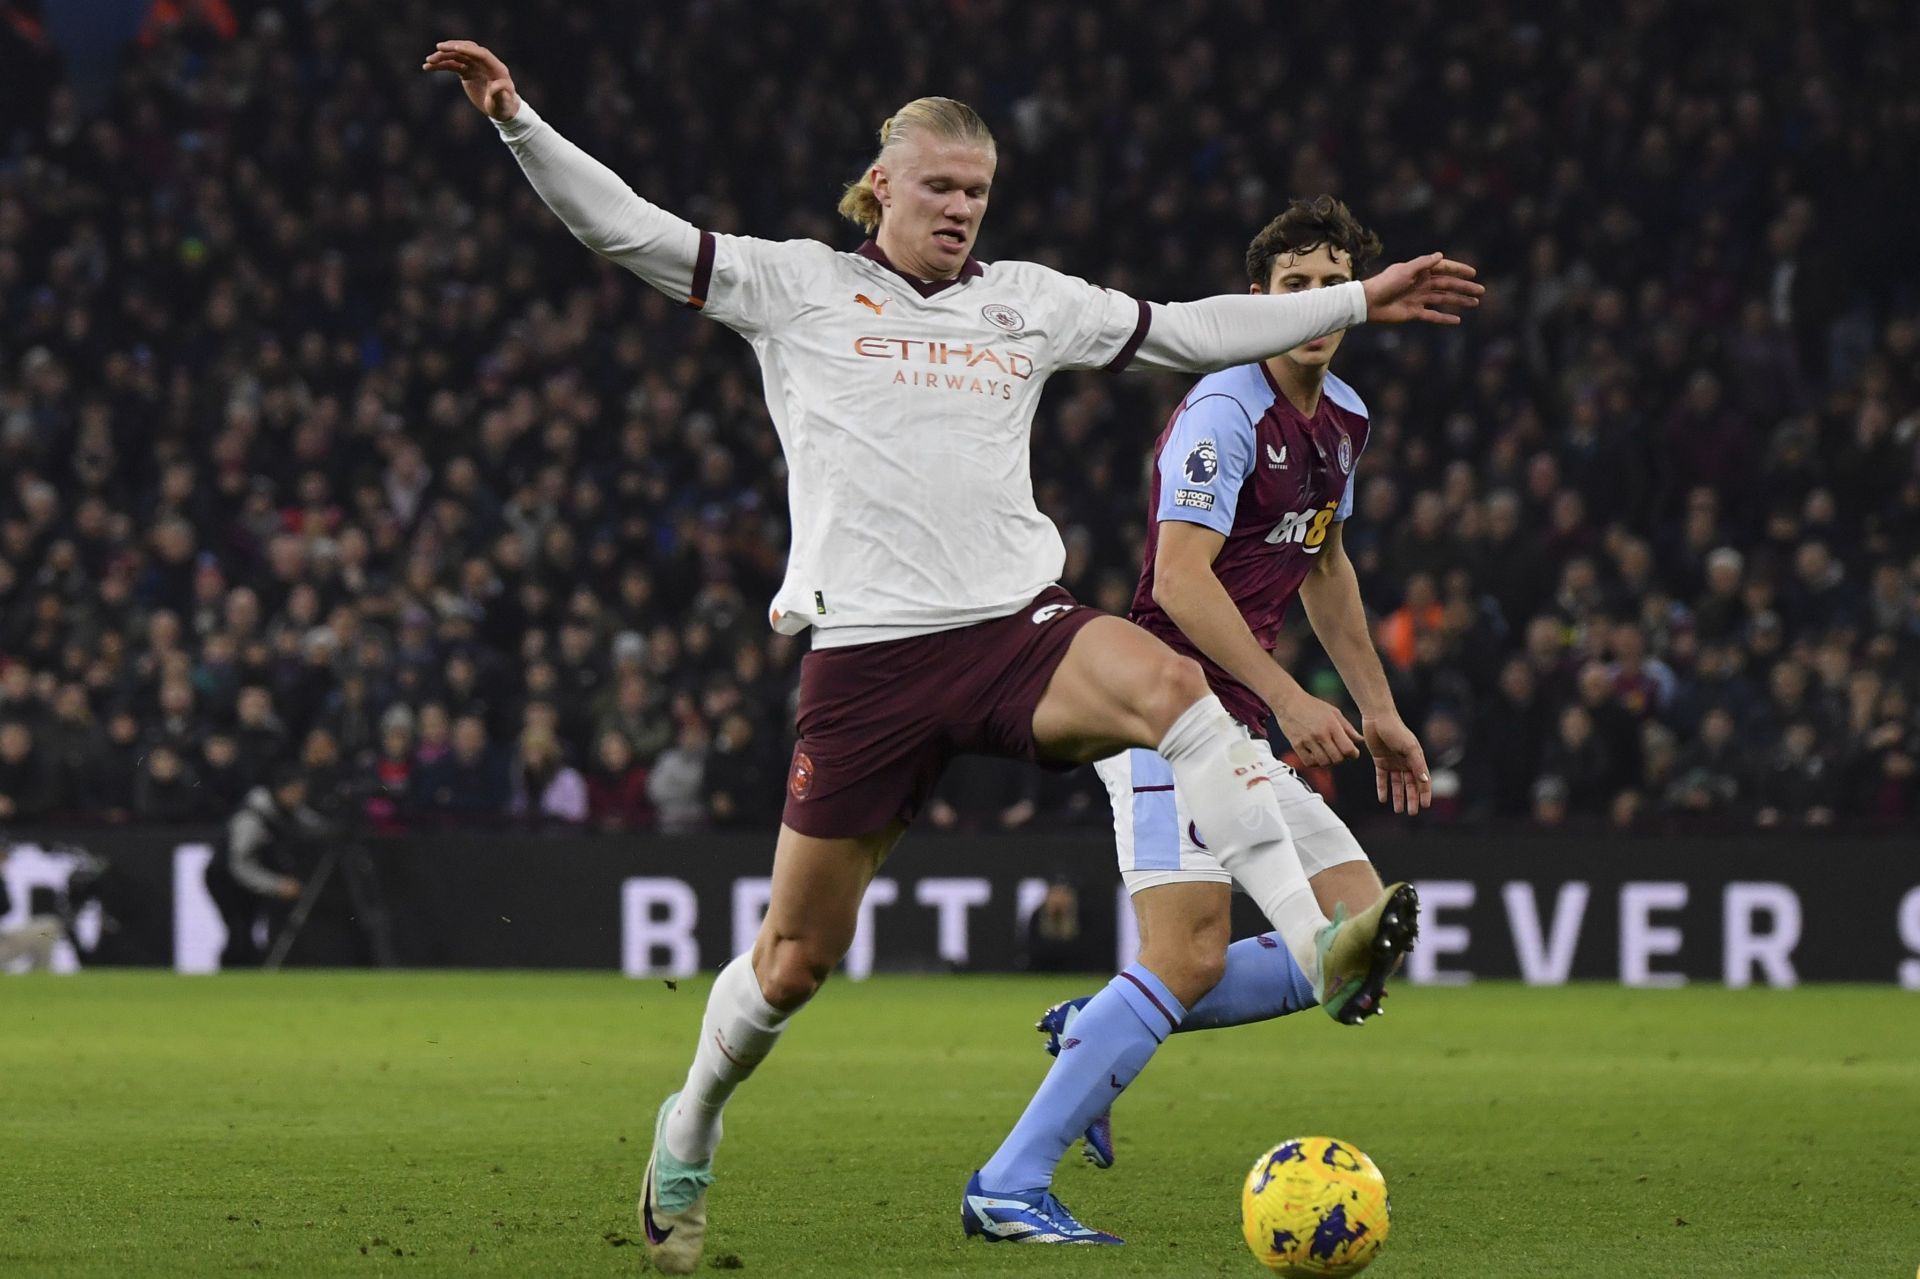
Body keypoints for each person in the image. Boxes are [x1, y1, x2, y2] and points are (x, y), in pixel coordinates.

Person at [424, 39, 1478, 1269]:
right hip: (867, 661)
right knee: (793, 963)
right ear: (881, 186)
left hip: (1010, 631)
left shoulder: (1023, 302)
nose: (962, 209)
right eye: (939, 188)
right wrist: (516, 122)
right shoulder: (798, 286)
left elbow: (1194, 328)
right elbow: (635, 234)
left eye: (977, 191)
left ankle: (1310, 935)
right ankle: (691, 1119)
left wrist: (1356, 297)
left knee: (1174, 685)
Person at [976, 196, 1430, 1209]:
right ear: (1258, 300)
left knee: (1359, 942)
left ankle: (1100, 1026)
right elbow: (1181, 580)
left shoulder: (1344, 418)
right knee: (1187, 953)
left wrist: (1378, 707)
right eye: (1294, 287)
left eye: (1332, 284)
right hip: (1164, 710)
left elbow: (1326, 566)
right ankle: (1009, 1182)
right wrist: (1287, 694)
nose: (1314, 304)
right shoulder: (1223, 412)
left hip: (1242, 718)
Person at [203, 765, 326, 968]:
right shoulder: (252, 818)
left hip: (251, 881)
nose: (300, 797)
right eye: (295, 791)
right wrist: (277, 885)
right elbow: (239, 866)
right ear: (282, 790)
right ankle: (228, 980)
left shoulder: (288, 811)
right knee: (239, 933)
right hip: (225, 879)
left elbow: (314, 825)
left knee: (249, 932)